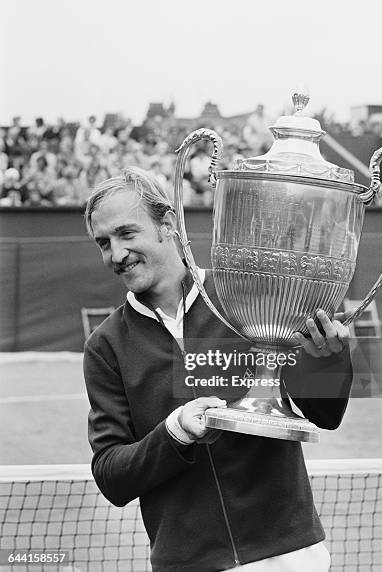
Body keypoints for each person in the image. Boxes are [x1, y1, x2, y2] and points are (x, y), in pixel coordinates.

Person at [83, 166, 353, 572]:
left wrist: (327, 361)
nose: (117, 254)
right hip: (188, 563)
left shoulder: (247, 303)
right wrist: (174, 432)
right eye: (104, 243)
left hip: (290, 555)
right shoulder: (106, 346)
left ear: (168, 224)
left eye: (127, 233)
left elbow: (325, 415)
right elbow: (111, 476)